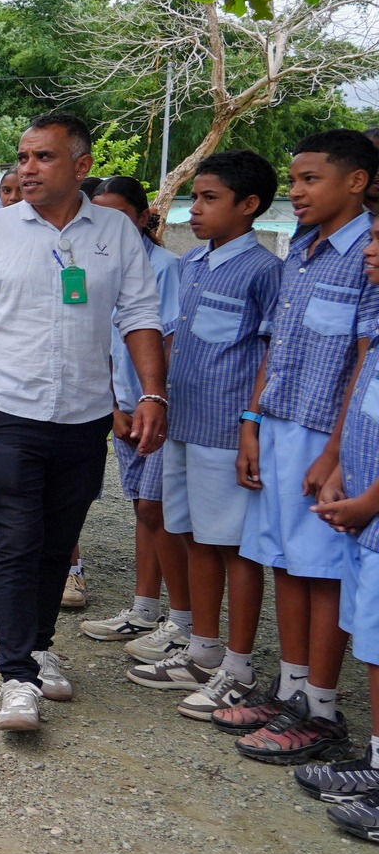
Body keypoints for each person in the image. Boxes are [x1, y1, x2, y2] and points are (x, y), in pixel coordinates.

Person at [0, 113, 166, 732]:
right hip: (6, 408)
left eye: (43, 157)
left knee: (58, 542)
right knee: (16, 538)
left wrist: (153, 393)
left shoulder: (115, 233)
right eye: (23, 157)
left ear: (81, 166)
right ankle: (16, 677)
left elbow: (140, 315)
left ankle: (39, 649)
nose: (28, 169)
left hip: (84, 414)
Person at [90, 151, 278, 725]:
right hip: (182, 423)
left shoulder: (263, 271)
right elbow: (170, 340)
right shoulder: (193, 262)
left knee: (233, 546)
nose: (194, 209)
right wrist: (156, 398)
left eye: (209, 198)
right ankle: (202, 651)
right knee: (191, 534)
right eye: (194, 197)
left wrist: (252, 423)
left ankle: (239, 668)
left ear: (249, 205)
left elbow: (270, 355)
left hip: (224, 430)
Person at [220, 130, 377, 764]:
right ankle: (290, 689)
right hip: (279, 421)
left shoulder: (368, 253)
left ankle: (321, 706)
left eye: (311, 179)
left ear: (356, 182)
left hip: (325, 435)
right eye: (295, 180)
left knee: (322, 568)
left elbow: (363, 359)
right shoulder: (302, 249)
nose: (297, 191)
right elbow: (276, 342)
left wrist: (335, 453)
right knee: (283, 557)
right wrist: (252, 422)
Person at [76, 177, 193, 691]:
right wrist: (113, 406)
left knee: (156, 507)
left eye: (120, 214)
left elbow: (165, 339)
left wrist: (150, 399)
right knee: (142, 509)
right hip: (122, 404)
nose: (109, 225)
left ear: (145, 217)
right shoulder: (96, 264)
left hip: (158, 406)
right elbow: (99, 338)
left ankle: (183, 622)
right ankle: (145, 609)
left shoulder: (165, 267)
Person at [304, 212, 379, 828]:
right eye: (373, 237)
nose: (370, 250)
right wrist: (339, 470)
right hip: (365, 512)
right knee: (373, 645)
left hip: (373, 511)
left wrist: (370, 498)